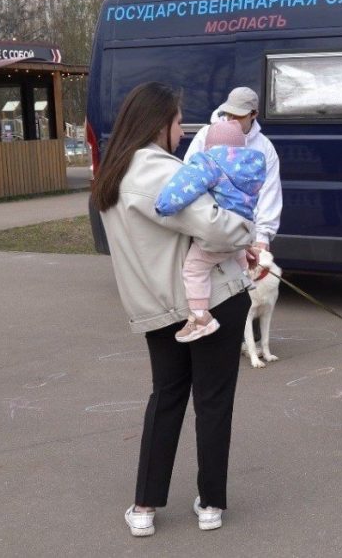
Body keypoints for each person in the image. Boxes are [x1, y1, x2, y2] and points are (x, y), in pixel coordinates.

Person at [90, 82, 255, 537]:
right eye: (179, 122)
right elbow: (215, 226)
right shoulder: (157, 171)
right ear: (158, 122)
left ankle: (144, 506)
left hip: (158, 308)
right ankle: (210, 503)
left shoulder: (113, 173)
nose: (183, 133)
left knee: (166, 398)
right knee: (213, 402)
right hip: (210, 301)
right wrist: (247, 233)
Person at [156, 119, 266, 342]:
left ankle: (200, 317)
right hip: (242, 229)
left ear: (210, 146)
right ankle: (247, 279)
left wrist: (164, 205)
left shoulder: (211, 162)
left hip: (220, 233)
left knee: (194, 269)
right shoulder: (252, 164)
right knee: (233, 254)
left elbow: (186, 184)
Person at [185, 87, 281, 254]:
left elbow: (270, 191)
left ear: (254, 114)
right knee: (197, 269)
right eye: (229, 113)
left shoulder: (264, 147)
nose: (231, 119)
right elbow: (187, 173)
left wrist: (262, 236)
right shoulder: (206, 134)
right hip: (206, 227)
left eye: (238, 115)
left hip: (244, 232)